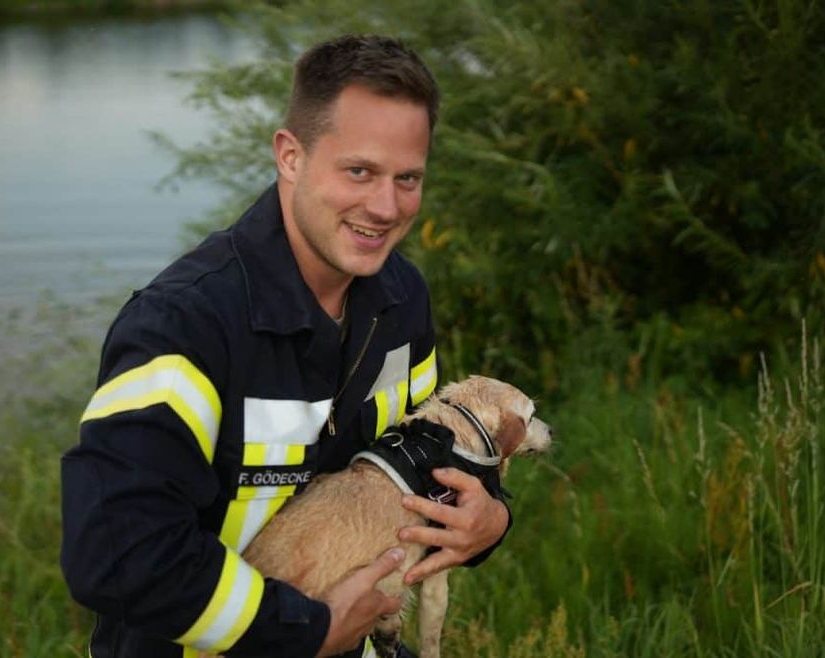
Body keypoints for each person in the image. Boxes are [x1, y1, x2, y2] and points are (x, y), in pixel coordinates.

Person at [60, 34, 511, 658]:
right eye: (360, 171)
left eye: (408, 178)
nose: (385, 207)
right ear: (290, 156)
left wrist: (489, 520)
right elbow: (114, 555)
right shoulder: (182, 325)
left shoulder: (403, 297)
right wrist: (308, 630)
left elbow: (424, 453)